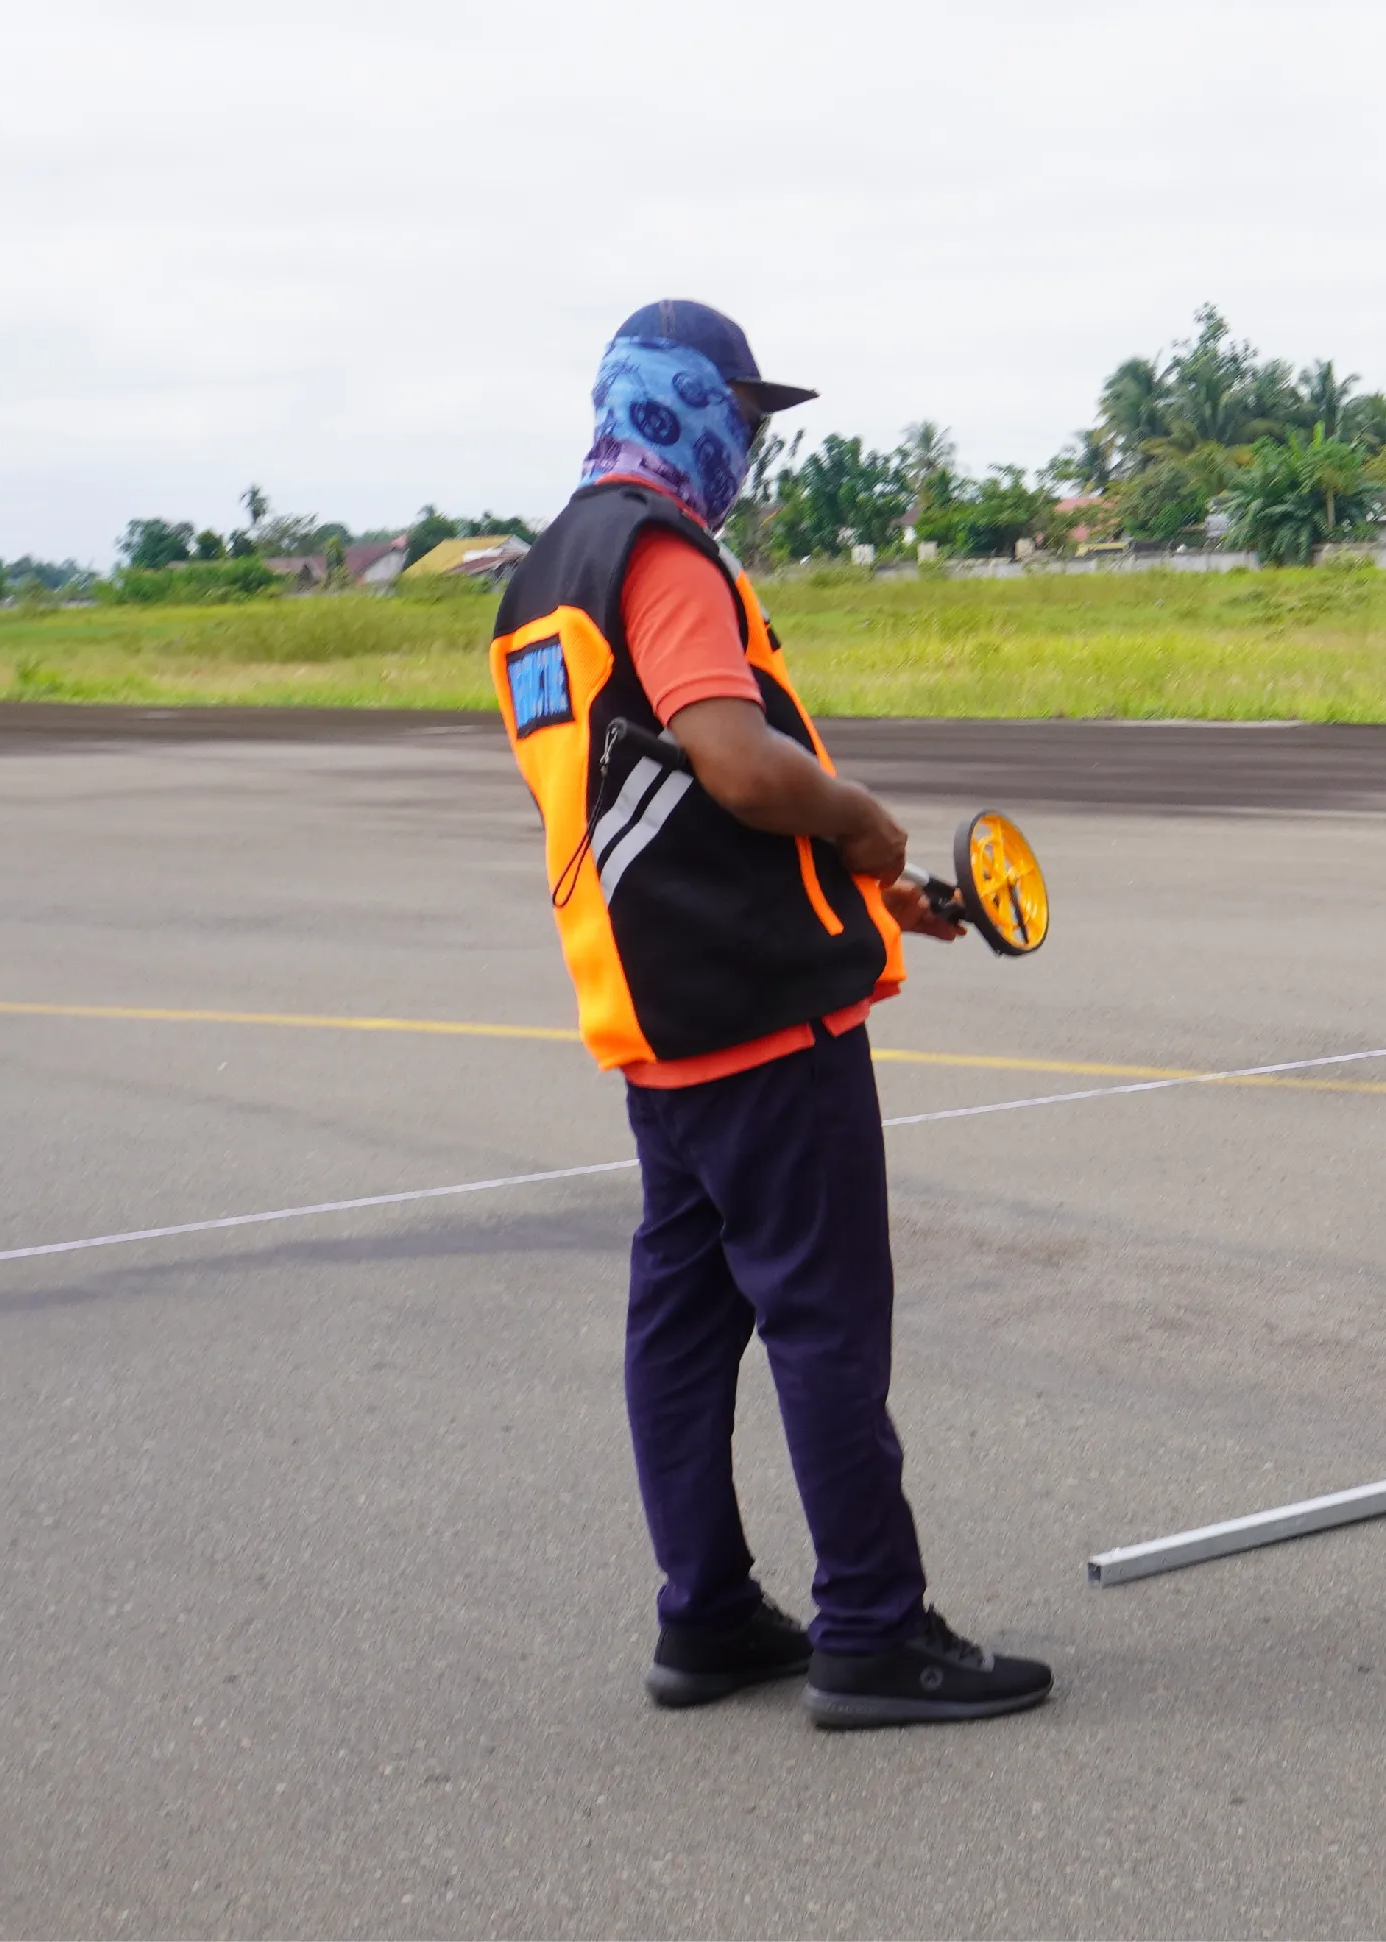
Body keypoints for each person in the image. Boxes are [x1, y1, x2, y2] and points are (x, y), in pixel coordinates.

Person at [488, 300, 1051, 1730]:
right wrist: (863, 819)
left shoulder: (540, 577)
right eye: (737, 408)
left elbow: (649, 800)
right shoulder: (663, 555)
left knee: (679, 1326)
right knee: (822, 1321)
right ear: (677, 399)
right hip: (758, 1018)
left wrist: (882, 895)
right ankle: (871, 1626)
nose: (746, 439)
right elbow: (734, 768)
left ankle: (708, 1613)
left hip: (657, 1016)